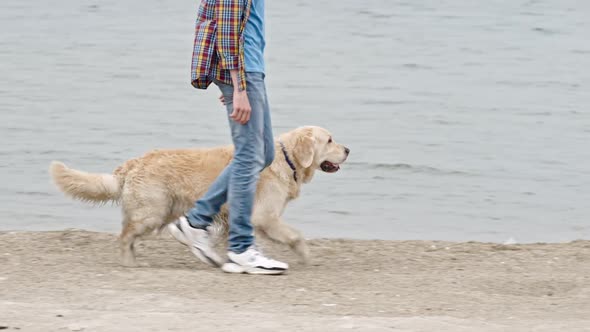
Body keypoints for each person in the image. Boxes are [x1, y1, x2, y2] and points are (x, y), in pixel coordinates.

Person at [168, 0, 288, 275]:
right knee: (249, 155)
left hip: (251, 70)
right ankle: (241, 249)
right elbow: (227, 30)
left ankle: (196, 221)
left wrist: (235, 85)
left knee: (265, 153)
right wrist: (237, 86)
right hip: (243, 73)